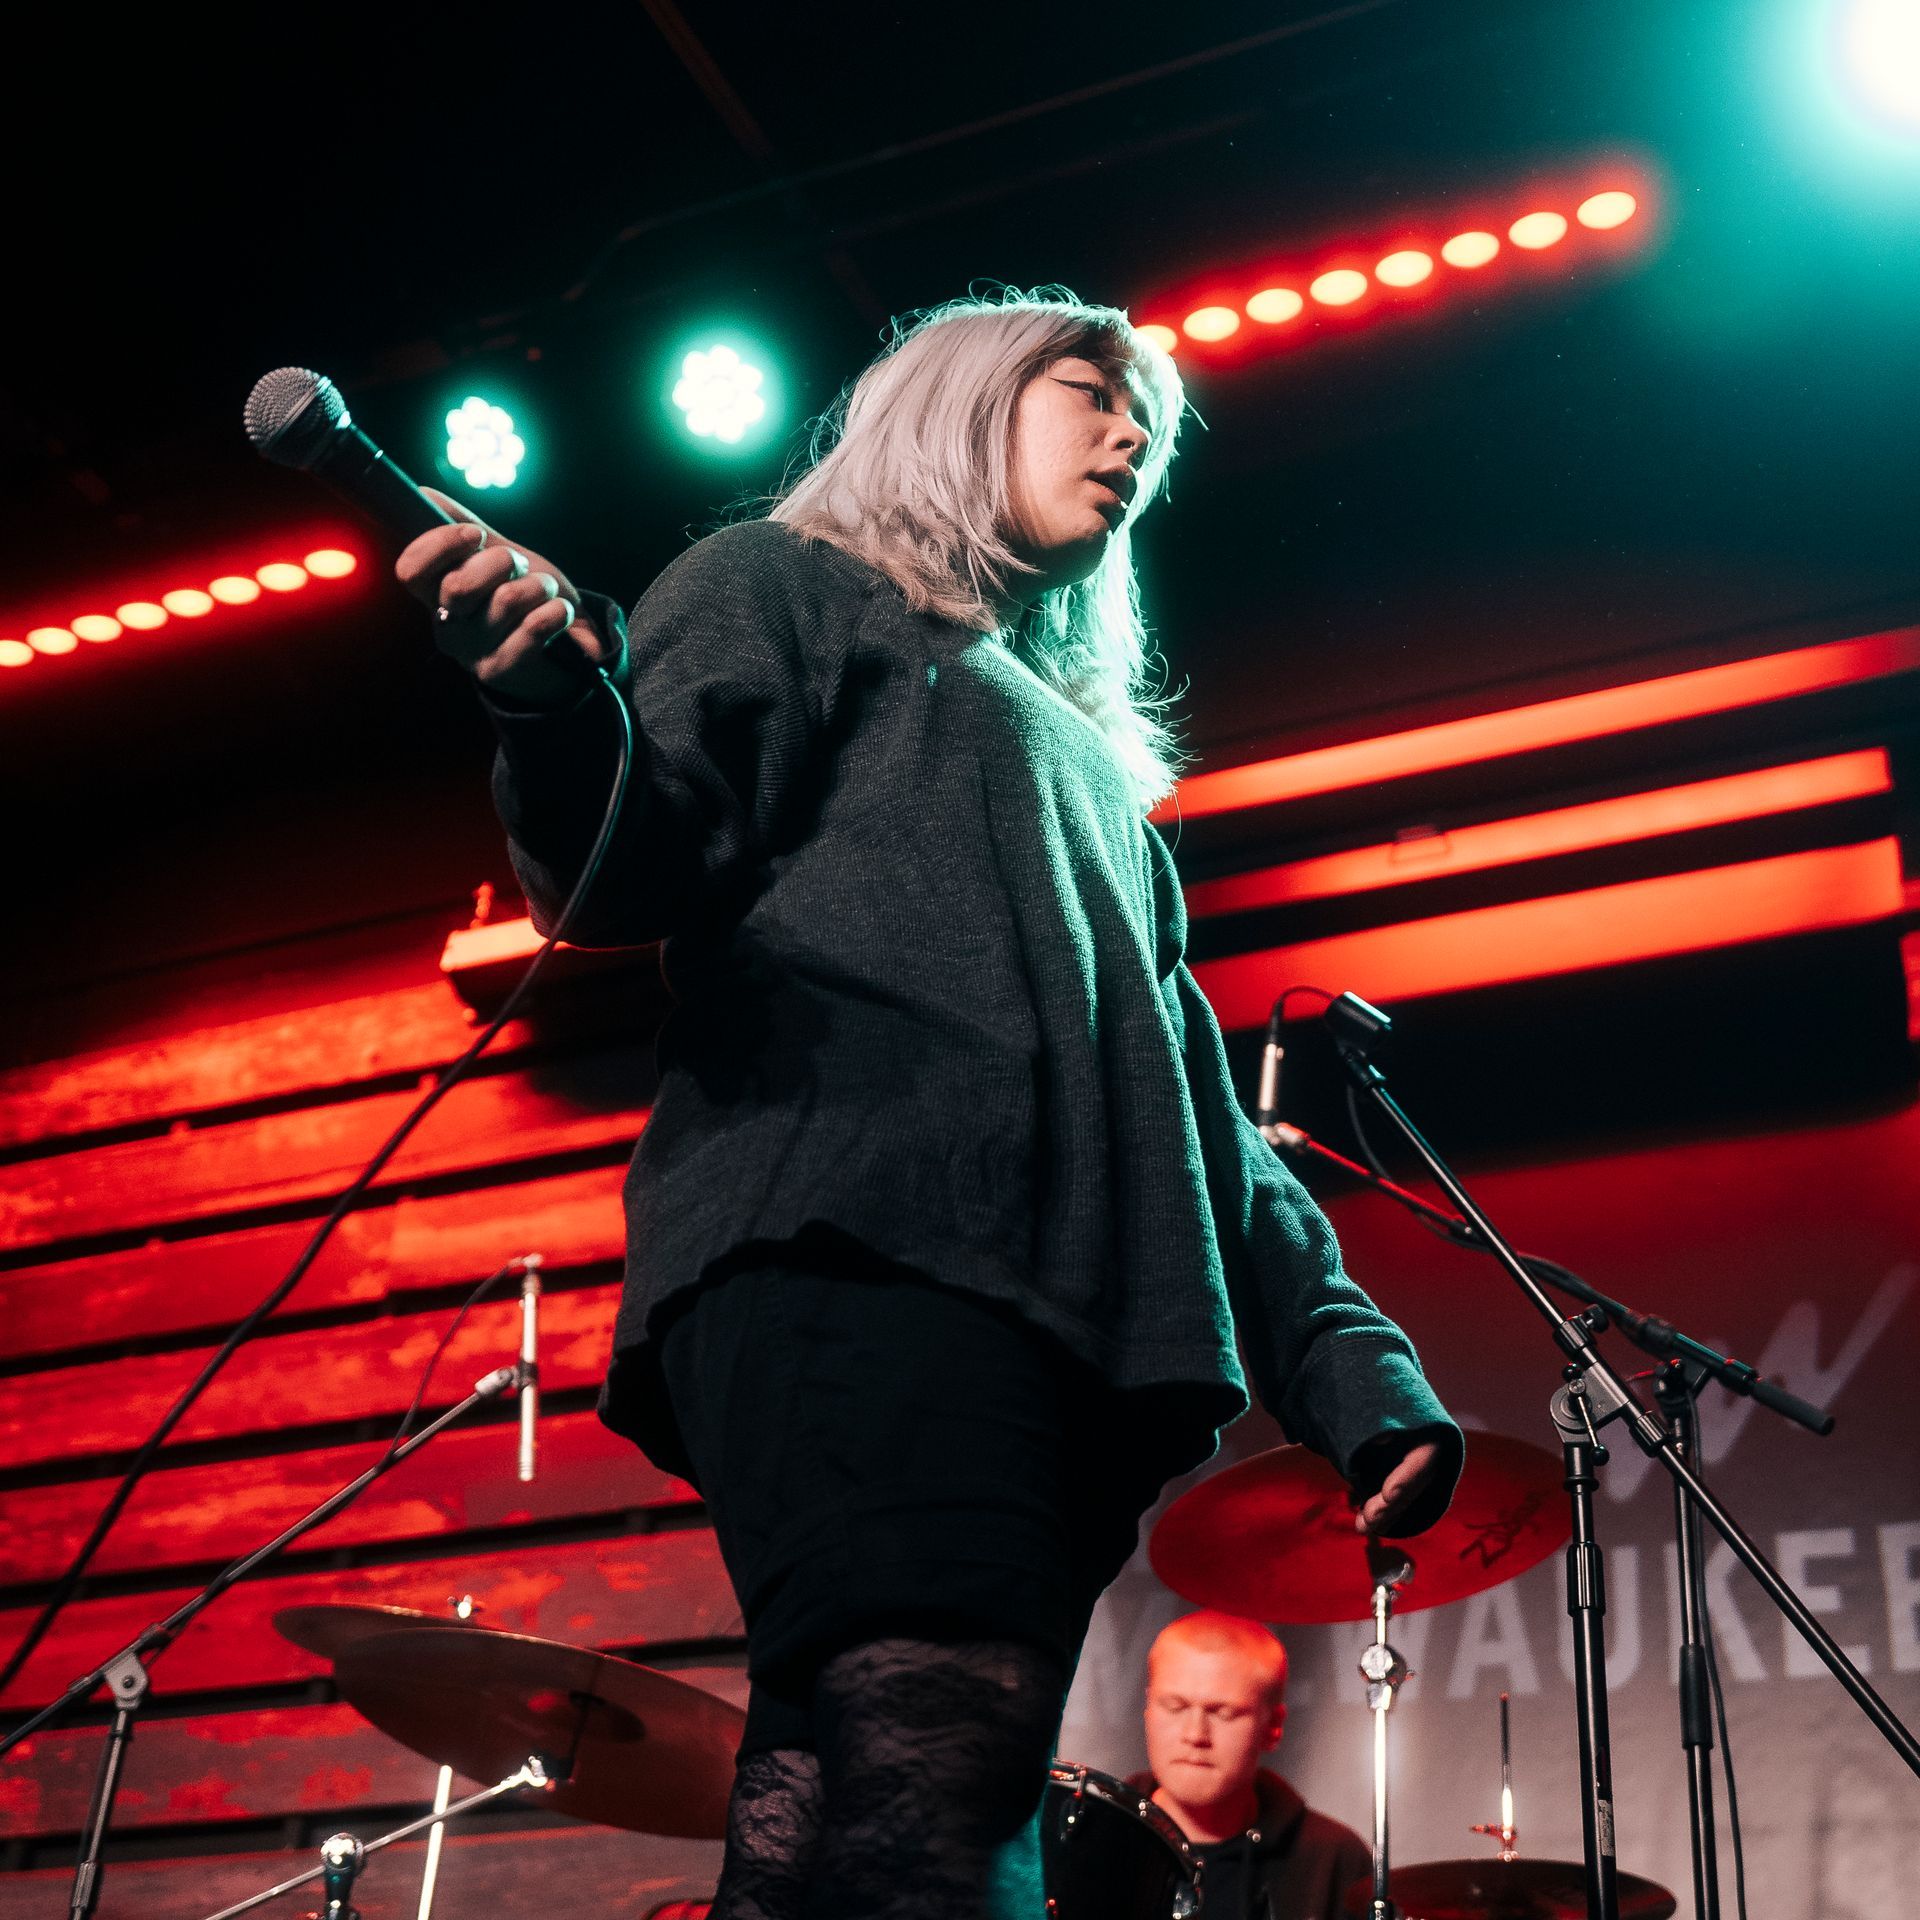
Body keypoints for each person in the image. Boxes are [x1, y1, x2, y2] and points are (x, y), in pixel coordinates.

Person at [395, 288, 1462, 1920]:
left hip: (1025, 1315)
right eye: (1092, 395)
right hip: (862, 1256)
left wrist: (1354, 1371)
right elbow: (625, 862)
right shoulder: (782, 582)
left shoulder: (1099, 781)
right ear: (962, 401)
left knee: (836, 1786)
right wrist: (547, 707)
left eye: (1149, 432)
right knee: (953, 1784)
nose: (1131, 440)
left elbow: (1201, 1120)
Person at [1129, 1610, 1369, 1920]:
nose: (1195, 1734)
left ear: (1274, 1726)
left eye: (1224, 1713)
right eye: (1175, 1707)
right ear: (1148, 1709)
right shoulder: (1093, 1840)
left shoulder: (1333, 1860)